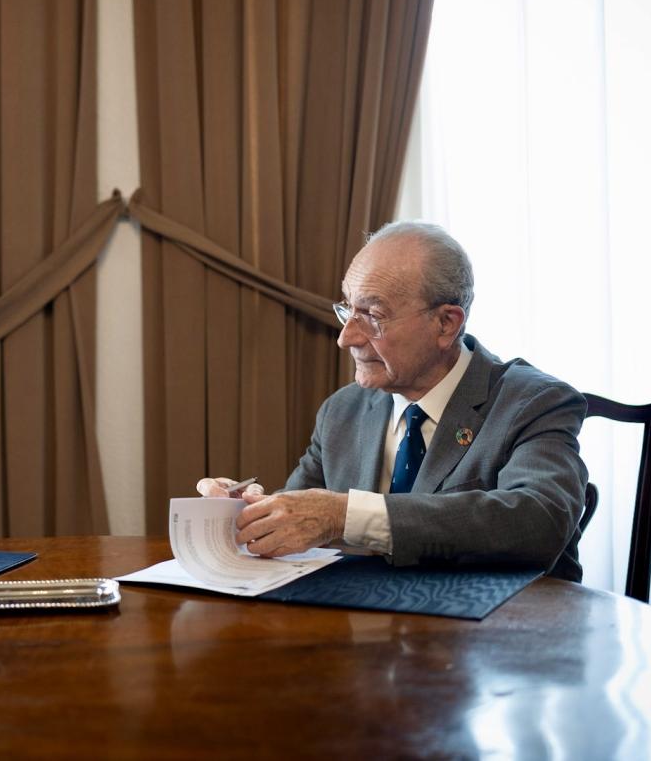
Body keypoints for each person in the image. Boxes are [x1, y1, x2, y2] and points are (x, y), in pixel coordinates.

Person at [198, 221, 589, 579]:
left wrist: (344, 516)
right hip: (371, 633)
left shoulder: (534, 402)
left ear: (446, 324)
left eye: (372, 315)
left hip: (502, 637)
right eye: (347, 310)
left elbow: (539, 519)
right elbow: (305, 517)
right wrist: (246, 510)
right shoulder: (342, 411)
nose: (346, 337)